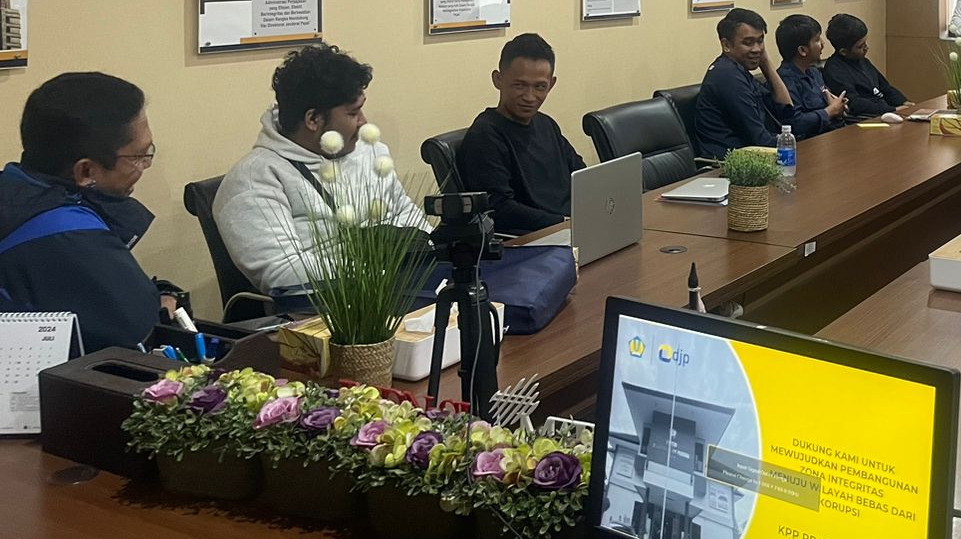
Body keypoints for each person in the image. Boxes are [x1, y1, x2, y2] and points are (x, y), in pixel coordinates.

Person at [214, 44, 427, 297]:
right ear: (313, 119)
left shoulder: (368, 150)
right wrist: (376, 276)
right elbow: (282, 273)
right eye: (353, 113)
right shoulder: (255, 180)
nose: (364, 123)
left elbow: (410, 217)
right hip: (330, 309)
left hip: (408, 292)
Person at [0, 73, 167, 352]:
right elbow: (140, 328)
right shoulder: (64, 232)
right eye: (139, 156)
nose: (145, 166)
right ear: (86, 171)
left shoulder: (15, 189)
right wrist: (163, 302)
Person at [455, 32, 586, 234]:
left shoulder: (546, 124)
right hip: (531, 239)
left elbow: (582, 177)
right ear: (498, 79)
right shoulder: (485, 135)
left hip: (570, 229)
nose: (530, 97)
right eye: (519, 85)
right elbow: (500, 209)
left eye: (540, 87)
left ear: (551, 84)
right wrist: (564, 222)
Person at [694, 7, 795, 160]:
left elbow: (786, 111)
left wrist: (765, 63)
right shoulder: (727, 76)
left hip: (755, 157)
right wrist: (791, 145)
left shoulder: (739, 71)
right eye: (748, 43)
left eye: (760, 41)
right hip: (729, 164)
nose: (757, 49)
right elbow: (760, 139)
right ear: (726, 45)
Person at [822, 13, 910, 120]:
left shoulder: (863, 61)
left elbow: (886, 88)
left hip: (885, 112)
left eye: (865, 43)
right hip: (867, 117)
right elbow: (854, 103)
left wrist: (904, 103)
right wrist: (893, 110)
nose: (866, 48)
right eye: (860, 46)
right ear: (843, 51)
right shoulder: (834, 69)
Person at [773, 14, 848, 139]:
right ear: (803, 50)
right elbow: (795, 122)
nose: (822, 44)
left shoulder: (814, 72)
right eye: (817, 40)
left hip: (833, 134)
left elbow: (830, 101)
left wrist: (839, 105)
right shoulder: (784, 80)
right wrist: (830, 111)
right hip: (810, 142)